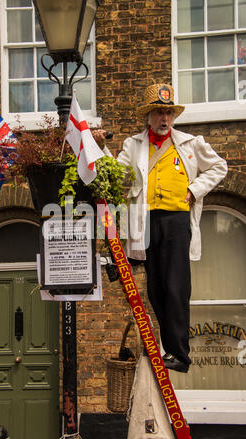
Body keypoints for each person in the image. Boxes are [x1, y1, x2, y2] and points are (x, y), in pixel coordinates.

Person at [96, 83, 228, 373]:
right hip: (144, 220)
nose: (164, 118)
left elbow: (219, 167)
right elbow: (116, 175)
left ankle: (180, 354)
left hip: (177, 220)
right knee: (155, 289)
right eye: (158, 112)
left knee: (176, 287)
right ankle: (168, 348)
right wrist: (101, 146)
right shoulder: (134, 145)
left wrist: (194, 190)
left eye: (168, 112)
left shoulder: (191, 144)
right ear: (148, 116)